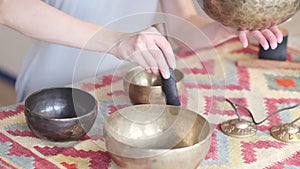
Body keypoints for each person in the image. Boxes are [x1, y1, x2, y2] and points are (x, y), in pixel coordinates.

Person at [0, 0, 283, 102]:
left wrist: (224, 29)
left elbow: (179, 22)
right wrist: (115, 40)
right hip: (57, 93)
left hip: (123, 95)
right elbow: (10, 7)